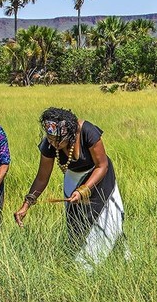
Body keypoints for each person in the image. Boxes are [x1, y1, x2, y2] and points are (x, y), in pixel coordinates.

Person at [14, 107, 125, 268]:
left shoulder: (88, 131)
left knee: (106, 220)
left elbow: (102, 166)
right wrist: (26, 205)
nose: (55, 144)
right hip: (73, 179)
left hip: (100, 178)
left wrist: (84, 190)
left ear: (71, 134)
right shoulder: (50, 143)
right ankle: (83, 265)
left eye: (59, 141)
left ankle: (107, 261)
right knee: (77, 223)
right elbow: (41, 178)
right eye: (51, 140)